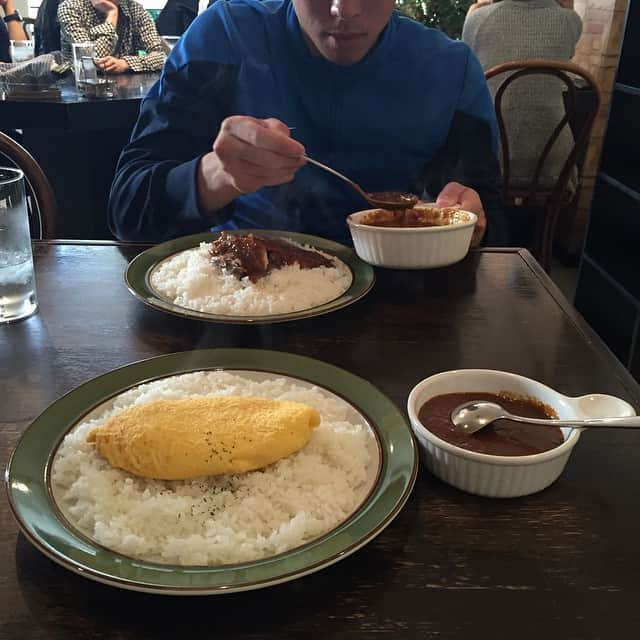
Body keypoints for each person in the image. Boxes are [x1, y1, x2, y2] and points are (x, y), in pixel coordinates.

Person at [109, 0, 506, 246]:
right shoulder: (223, 36)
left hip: (402, 307)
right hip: (239, 298)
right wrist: (218, 176)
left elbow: (496, 220)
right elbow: (127, 211)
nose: (344, 10)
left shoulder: (450, 70)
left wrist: (471, 221)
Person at [462, 0, 583, 195]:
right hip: (552, 163)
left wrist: (475, 10)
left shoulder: (478, 18)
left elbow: (467, 63)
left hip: (490, 159)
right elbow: (567, 52)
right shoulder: (570, 21)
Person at [57, 0, 166, 73]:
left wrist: (126, 63)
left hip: (124, 90)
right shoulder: (70, 8)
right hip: (79, 91)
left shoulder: (134, 8)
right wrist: (112, 13)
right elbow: (92, 63)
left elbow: (162, 56)